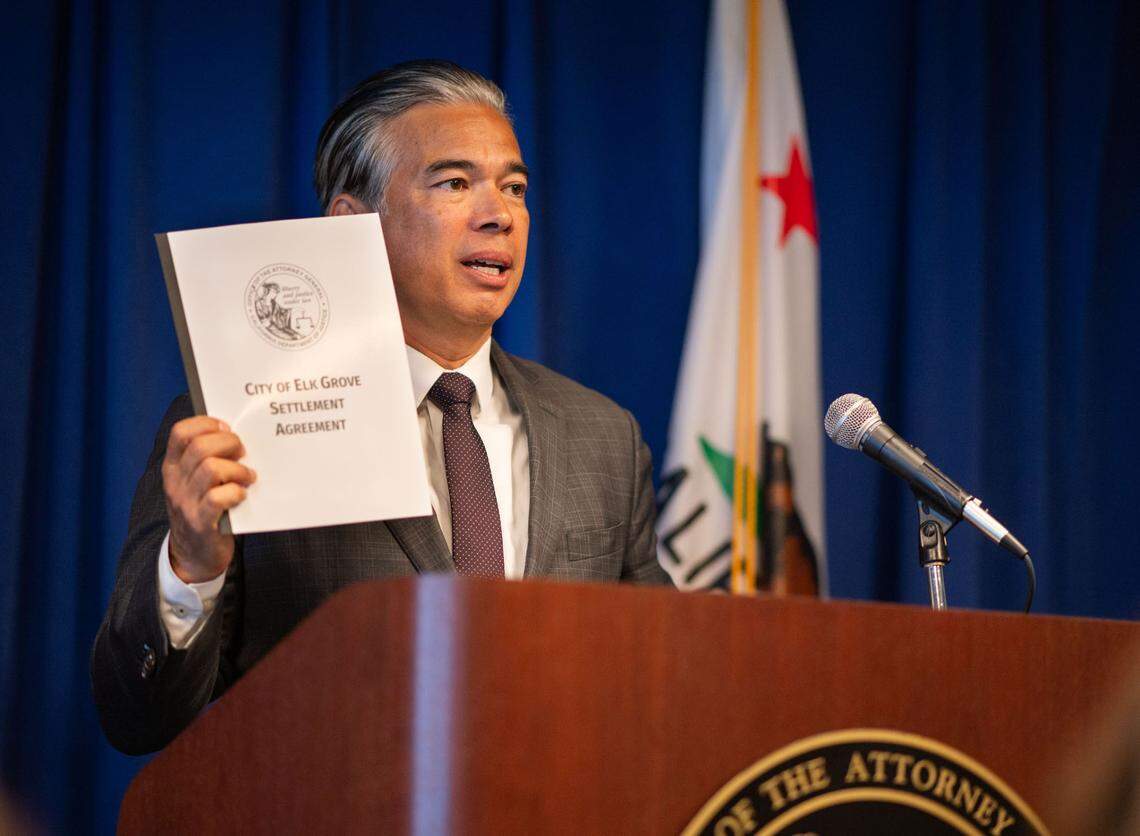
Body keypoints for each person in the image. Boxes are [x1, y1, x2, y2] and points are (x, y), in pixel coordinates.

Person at [91, 59, 670, 755]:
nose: (501, 214)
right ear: (351, 224)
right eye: (456, 183)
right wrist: (191, 565)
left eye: (514, 187)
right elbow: (136, 716)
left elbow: (654, 676)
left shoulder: (602, 435)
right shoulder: (238, 423)